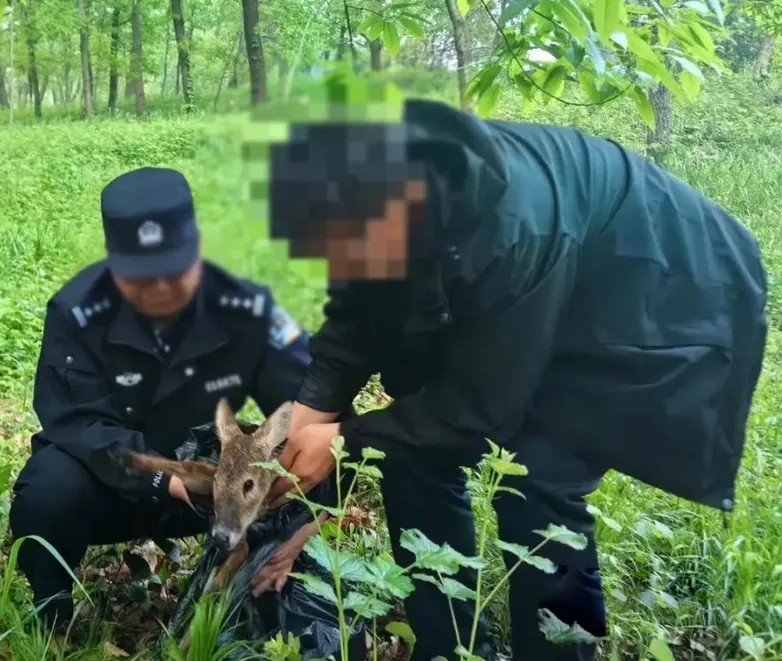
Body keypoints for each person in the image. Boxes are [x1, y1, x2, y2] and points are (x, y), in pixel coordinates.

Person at [264, 98, 769, 660]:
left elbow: (481, 409)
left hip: (648, 286)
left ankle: (560, 653)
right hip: (535, 277)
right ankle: (448, 646)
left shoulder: (511, 228)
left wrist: (341, 442)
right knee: (407, 452)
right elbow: (358, 311)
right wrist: (313, 408)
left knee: (542, 479)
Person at [8, 166, 338, 631]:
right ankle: (52, 618)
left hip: (213, 492)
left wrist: (299, 501)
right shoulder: (77, 309)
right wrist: (164, 480)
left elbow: (315, 403)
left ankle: (266, 605)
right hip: (112, 481)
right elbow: (78, 423)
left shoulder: (245, 309)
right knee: (46, 493)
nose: (161, 288)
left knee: (305, 459)